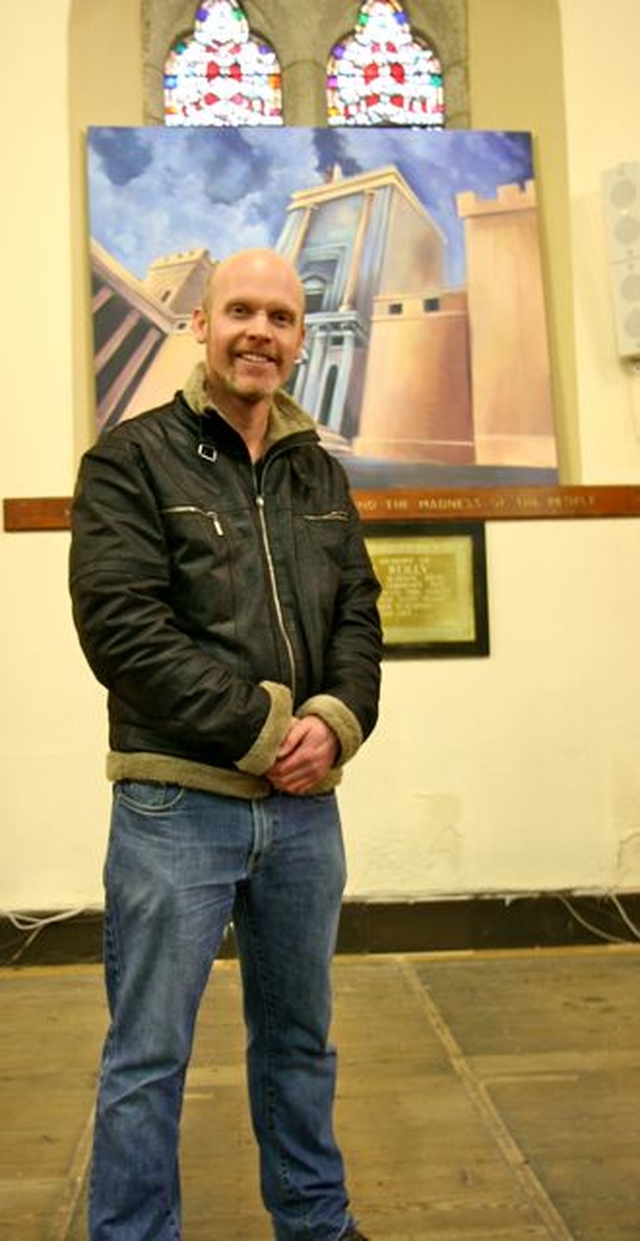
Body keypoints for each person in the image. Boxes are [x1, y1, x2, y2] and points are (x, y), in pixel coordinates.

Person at [69, 247, 382, 1241]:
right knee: (148, 1054)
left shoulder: (318, 470)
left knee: (300, 1042)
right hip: (175, 805)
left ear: (298, 337)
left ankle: (316, 1224)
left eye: (280, 317)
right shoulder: (128, 458)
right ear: (202, 325)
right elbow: (122, 628)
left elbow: (357, 619)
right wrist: (261, 730)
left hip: (303, 811)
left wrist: (332, 725)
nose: (260, 331)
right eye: (239, 310)